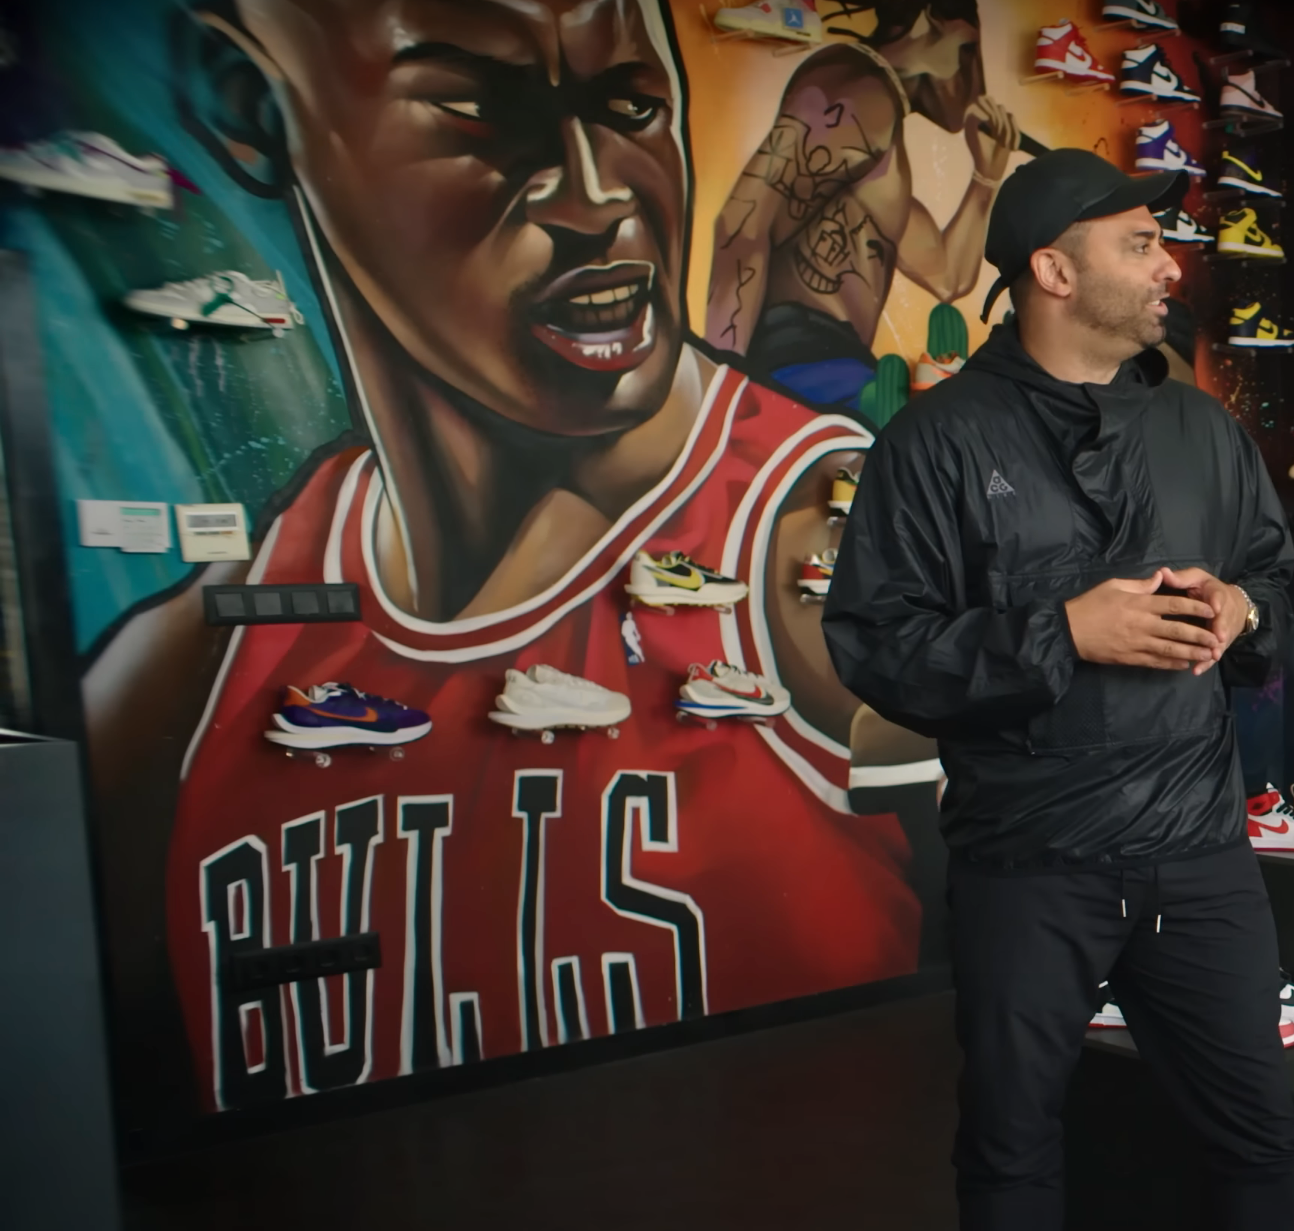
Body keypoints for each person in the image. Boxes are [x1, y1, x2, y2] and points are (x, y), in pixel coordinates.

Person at [92, 0, 922, 1113]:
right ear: (249, 107)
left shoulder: (810, 526)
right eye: (478, 110)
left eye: (628, 107)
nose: (596, 196)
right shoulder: (194, 668)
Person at [819, 149, 1294, 1231]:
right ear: (1052, 270)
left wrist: (1243, 610)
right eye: (1140, 245)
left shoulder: (1202, 431)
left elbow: (1277, 591)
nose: (1169, 267)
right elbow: (877, 648)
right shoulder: (935, 441)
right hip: (1028, 862)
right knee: (1011, 1143)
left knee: (1264, 1134)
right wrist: (1063, 633)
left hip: (1197, 856)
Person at [704, 0, 1020, 405]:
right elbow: (742, 223)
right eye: (967, 50)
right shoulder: (862, 91)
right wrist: (724, 392)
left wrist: (986, 177)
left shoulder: (878, 120)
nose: (976, 83)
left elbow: (946, 275)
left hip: (825, 362)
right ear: (927, 21)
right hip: (803, 364)